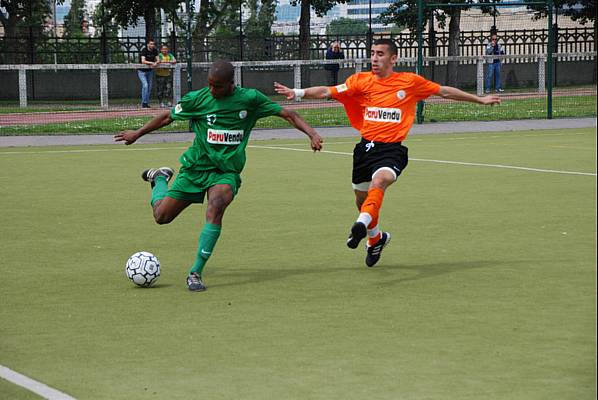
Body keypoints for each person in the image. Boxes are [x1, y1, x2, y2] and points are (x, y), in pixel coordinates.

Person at [274, 38, 501, 268]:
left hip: (392, 150)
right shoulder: (360, 81)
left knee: (380, 181)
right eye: (372, 53)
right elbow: (327, 91)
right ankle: (376, 238)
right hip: (365, 149)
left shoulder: (409, 82)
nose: (374, 58)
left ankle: (360, 225)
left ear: (393, 58)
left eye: (380, 54)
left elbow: (444, 91)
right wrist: (297, 92)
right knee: (362, 200)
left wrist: (479, 100)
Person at [115, 60, 323, 292]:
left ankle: (195, 273)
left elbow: (289, 114)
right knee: (161, 216)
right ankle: (160, 178)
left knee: (217, 204)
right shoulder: (199, 99)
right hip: (195, 169)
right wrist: (137, 133)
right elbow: (166, 117)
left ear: (230, 84)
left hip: (225, 173)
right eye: (210, 85)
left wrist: (312, 134)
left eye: (217, 86)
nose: (212, 90)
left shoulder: (250, 99)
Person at [138, 39, 159, 108]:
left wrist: (156, 62)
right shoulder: (144, 50)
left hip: (149, 71)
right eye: (151, 44)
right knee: (145, 85)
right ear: (148, 44)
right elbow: (143, 61)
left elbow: (158, 59)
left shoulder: (155, 50)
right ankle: (144, 103)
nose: (152, 45)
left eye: (153, 44)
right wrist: (152, 63)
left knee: (149, 88)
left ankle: (146, 102)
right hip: (142, 71)